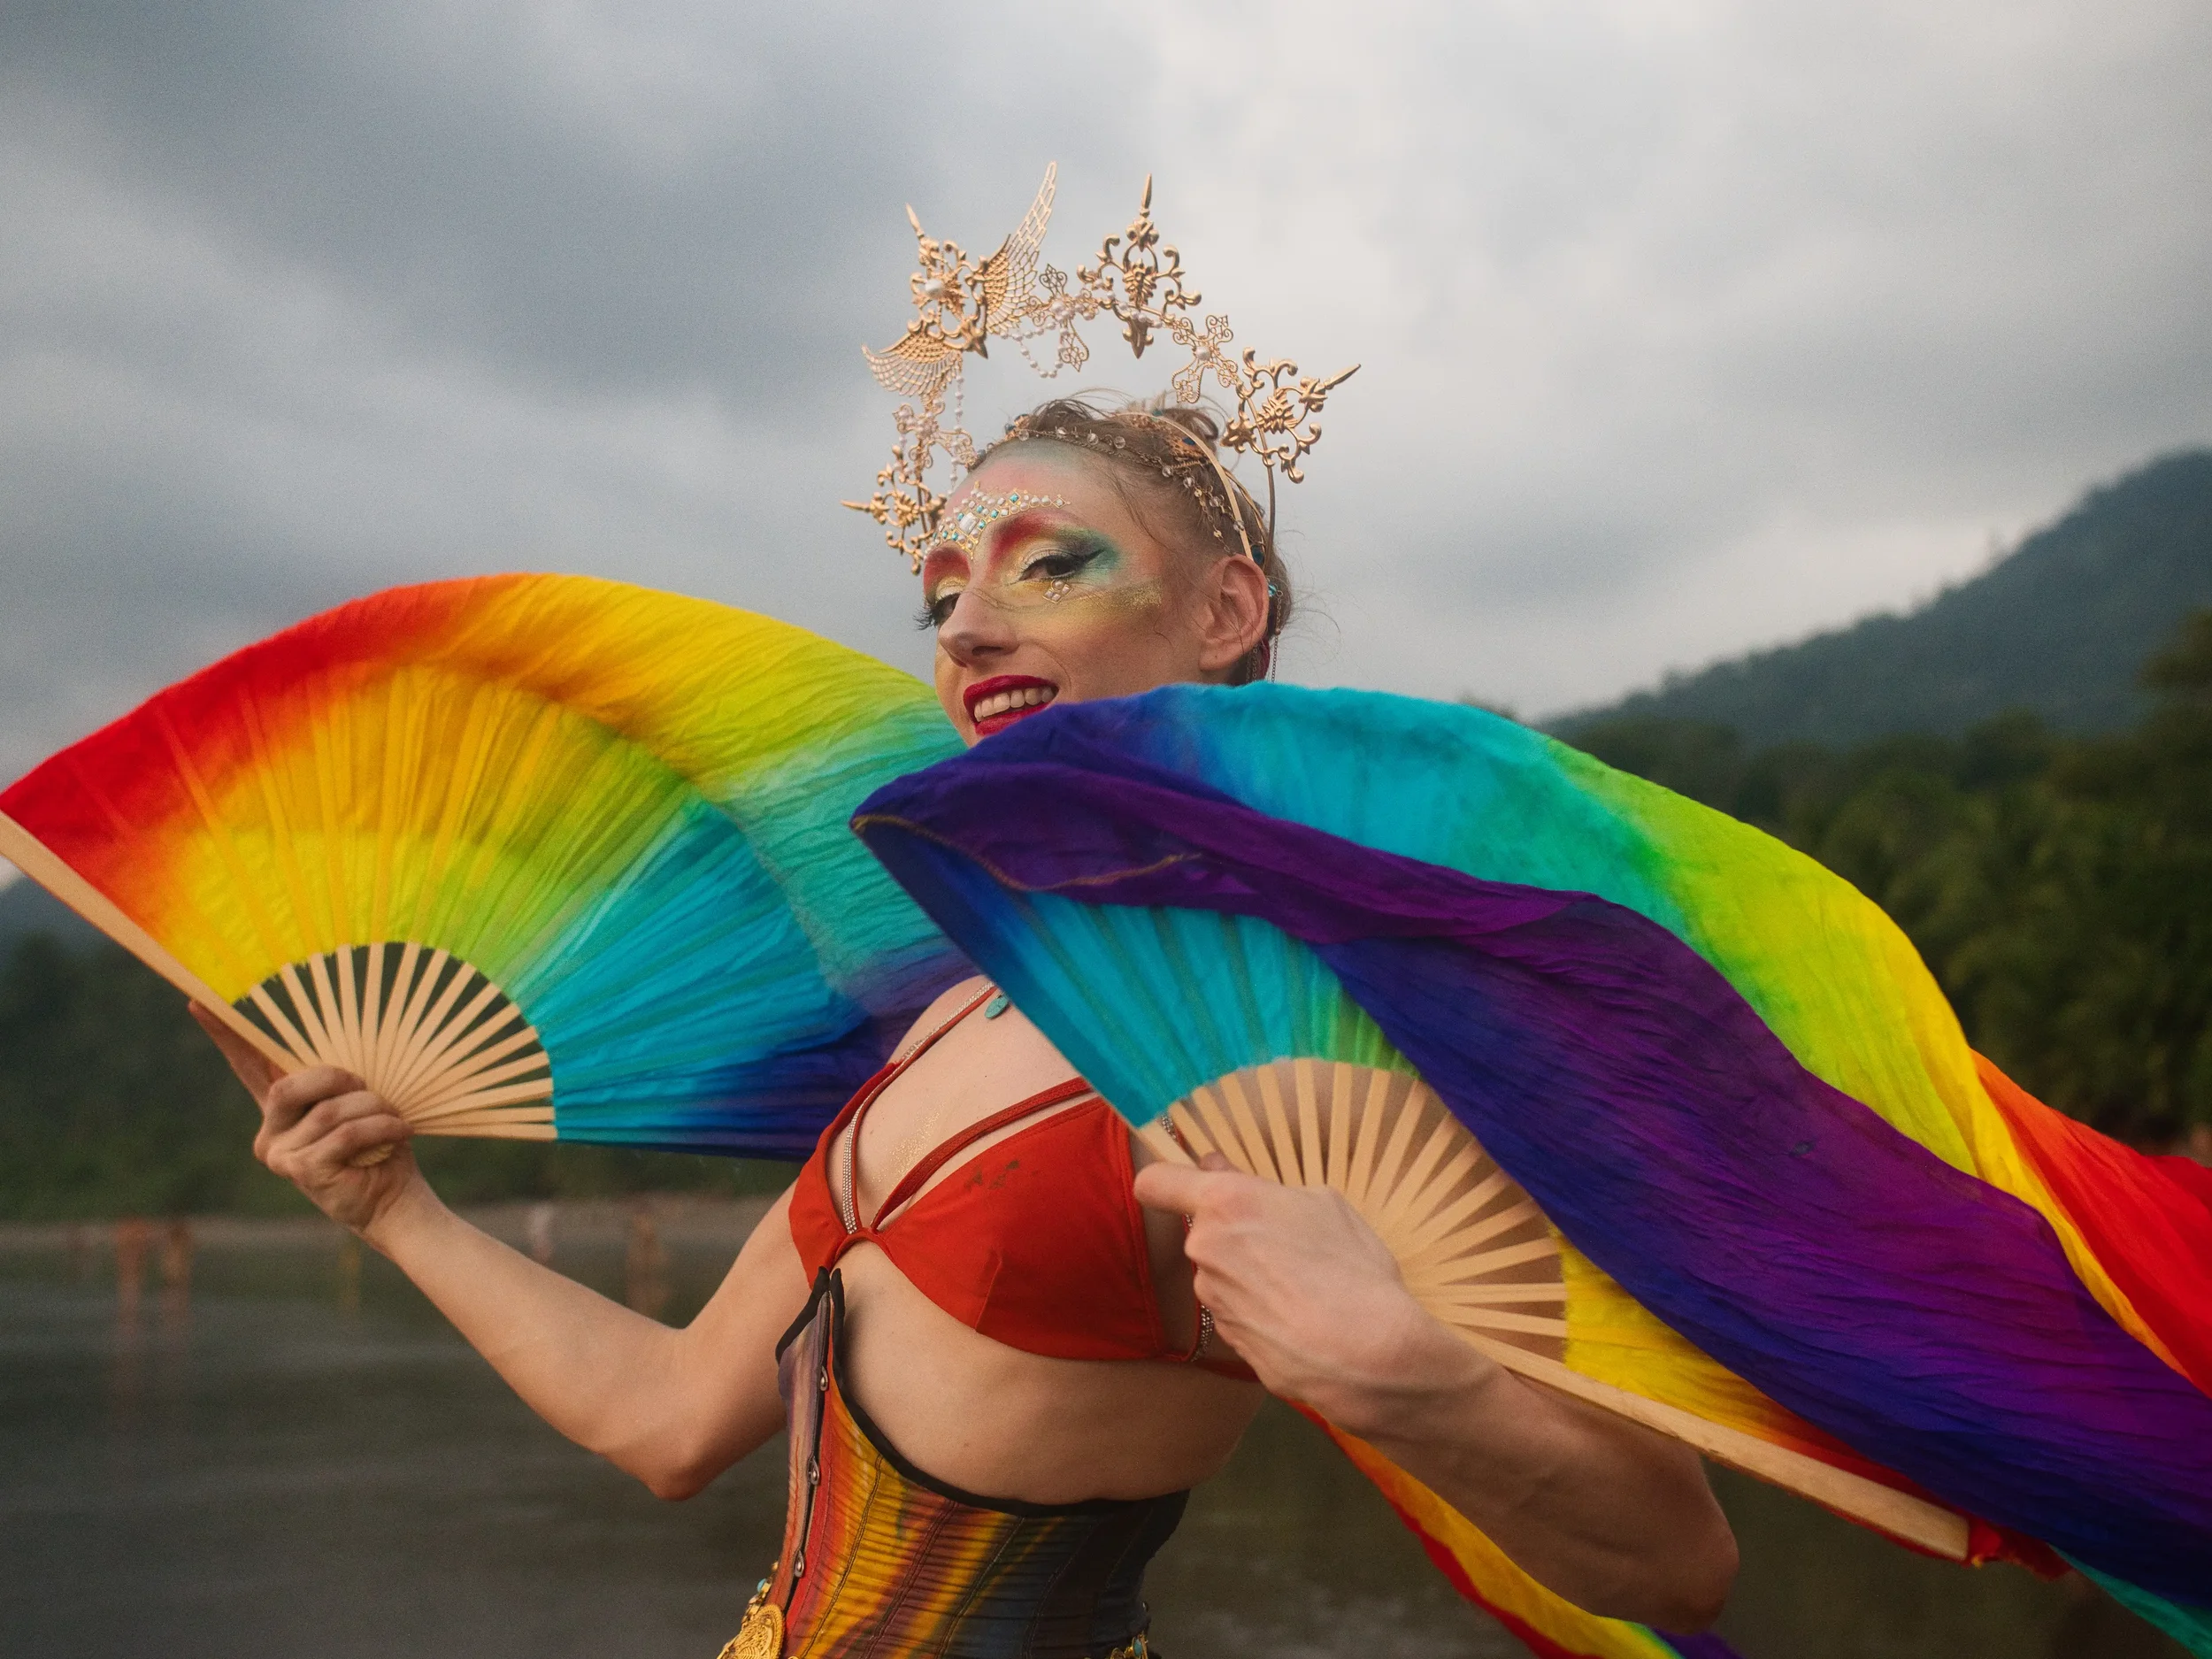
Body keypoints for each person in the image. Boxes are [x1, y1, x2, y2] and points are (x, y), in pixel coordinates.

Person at [196, 396, 1738, 1658]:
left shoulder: (1298, 1046)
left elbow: (1677, 1558)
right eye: (941, 596)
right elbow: (667, 1420)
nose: (969, 627)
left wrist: (1415, 1379)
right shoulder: (950, 1013)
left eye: (1046, 566)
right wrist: (395, 1208)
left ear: (1226, 609)